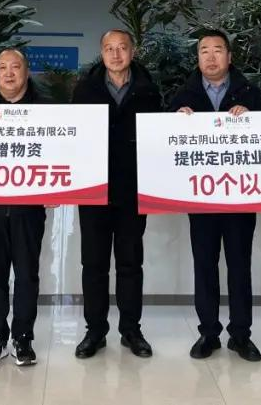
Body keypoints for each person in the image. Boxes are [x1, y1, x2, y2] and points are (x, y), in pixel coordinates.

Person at [168, 29, 261, 362]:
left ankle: (241, 335)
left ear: (229, 56)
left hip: (241, 196)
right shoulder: (182, 95)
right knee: (204, 266)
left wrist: (251, 121)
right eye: (204, 51)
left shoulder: (251, 93)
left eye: (218, 50)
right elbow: (166, 145)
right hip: (200, 198)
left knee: (240, 266)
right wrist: (176, 122)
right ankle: (208, 333)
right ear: (197, 58)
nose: (211, 57)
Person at [71, 29, 162, 359]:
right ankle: (95, 331)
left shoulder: (149, 89)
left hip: (133, 191)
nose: (115, 54)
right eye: (109, 48)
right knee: (93, 264)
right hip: (94, 190)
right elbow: (72, 138)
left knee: (130, 263)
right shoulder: (85, 89)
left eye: (122, 48)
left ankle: (131, 330)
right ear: (102, 53)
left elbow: (158, 140)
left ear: (132, 52)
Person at [0, 48, 53, 367]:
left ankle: (23, 337)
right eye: (2, 67)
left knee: (27, 274)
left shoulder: (47, 111)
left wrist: (60, 187)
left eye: (15, 67)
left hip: (29, 208)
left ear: (26, 72)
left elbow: (62, 151)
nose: (9, 73)